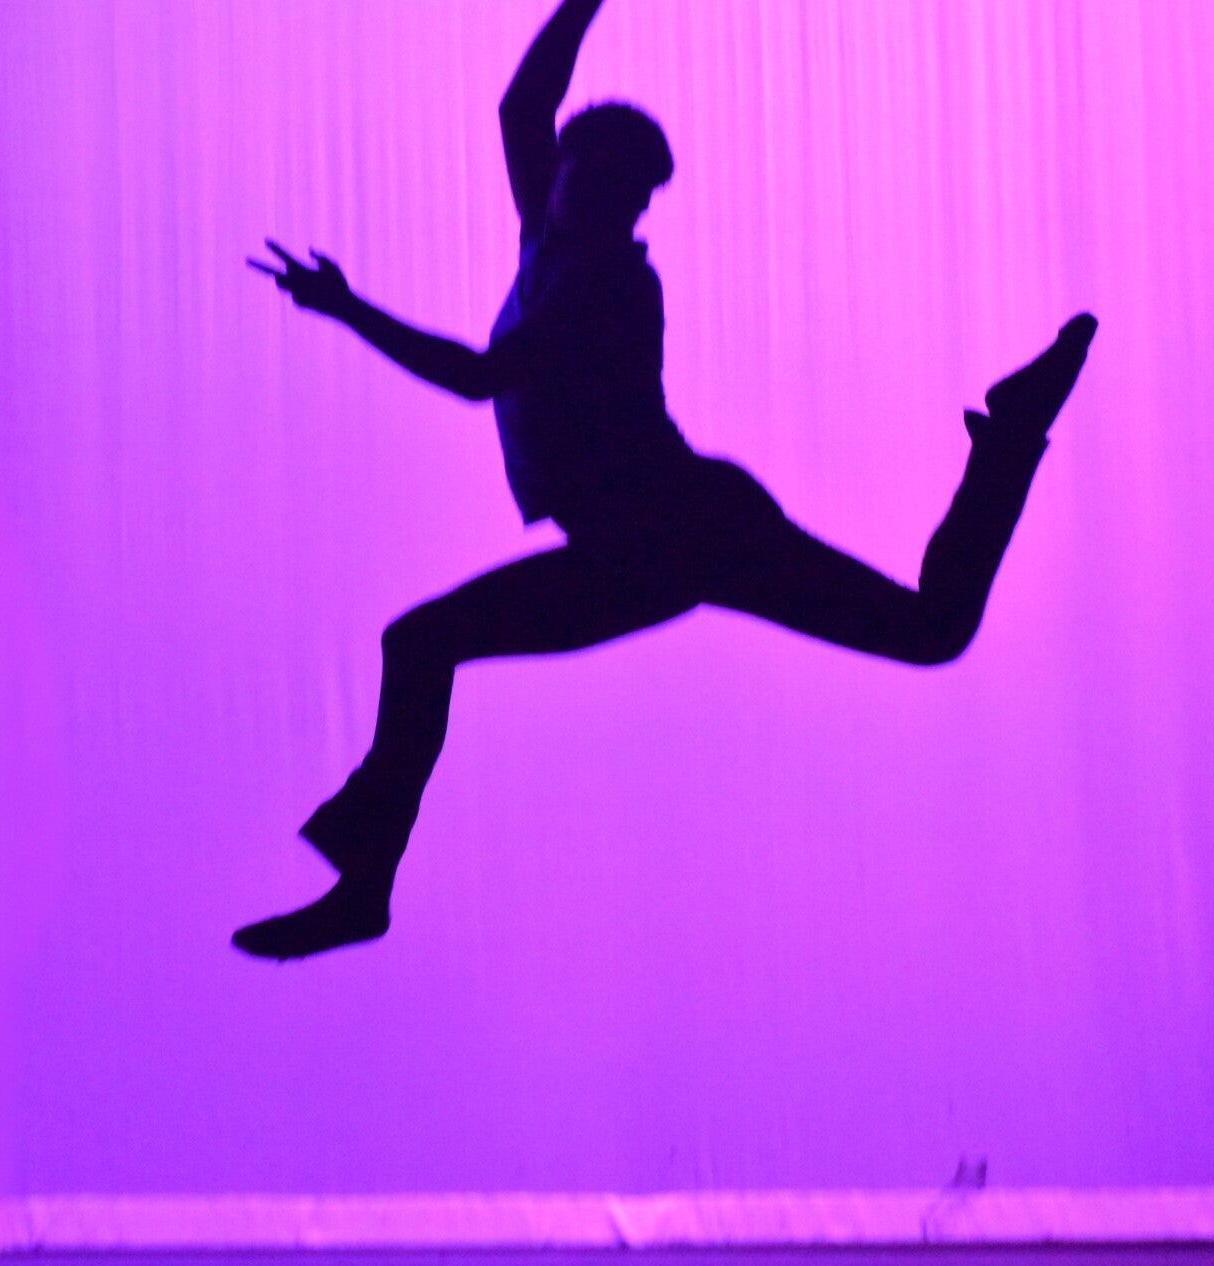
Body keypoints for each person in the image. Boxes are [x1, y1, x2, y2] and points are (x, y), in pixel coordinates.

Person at [238, 0, 1096, 961]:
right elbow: (523, 106)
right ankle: (364, 887)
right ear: (562, 172)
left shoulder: (607, 283)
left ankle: (1012, 433)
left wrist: (348, 307)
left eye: (627, 200)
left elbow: (480, 379)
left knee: (931, 630)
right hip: (628, 548)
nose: (607, 210)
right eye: (592, 185)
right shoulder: (548, 234)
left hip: (688, 529)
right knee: (421, 642)